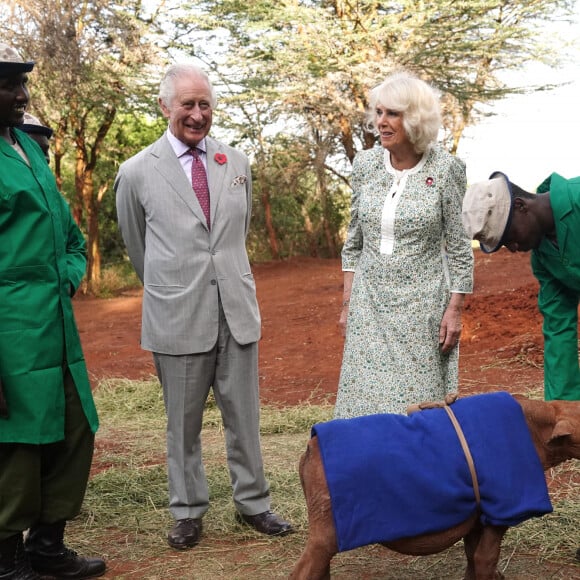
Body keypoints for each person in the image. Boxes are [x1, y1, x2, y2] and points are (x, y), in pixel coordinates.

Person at [115, 63, 293, 551]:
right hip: (176, 315)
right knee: (183, 424)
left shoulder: (235, 163)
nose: (197, 115)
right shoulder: (135, 172)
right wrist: (174, 288)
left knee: (245, 417)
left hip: (235, 310)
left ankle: (254, 503)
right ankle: (188, 511)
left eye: (205, 104)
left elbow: (234, 236)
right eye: (187, 105)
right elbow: (139, 250)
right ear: (164, 107)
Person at [0, 44, 106, 579]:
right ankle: (6, 558)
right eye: (8, 87)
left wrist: (63, 279)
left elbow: (69, 235)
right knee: (18, 442)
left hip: (54, 325)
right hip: (9, 329)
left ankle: (47, 547)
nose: (21, 96)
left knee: (72, 427)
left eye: (21, 85)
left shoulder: (28, 148)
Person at [334, 71, 474, 419]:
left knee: (419, 406)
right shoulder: (366, 165)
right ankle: (368, 471)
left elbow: (459, 248)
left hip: (423, 307)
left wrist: (454, 311)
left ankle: (422, 472)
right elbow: (354, 242)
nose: (380, 122)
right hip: (369, 303)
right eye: (378, 113)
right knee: (364, 402)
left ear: (415, 119)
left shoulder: (446, 170)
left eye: (392, 114)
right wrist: (348, 303)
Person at [462, 171, 580, 402]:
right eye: (505, 245)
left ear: (521, 206)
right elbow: (559, 328)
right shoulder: (544, 259)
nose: (514, 247)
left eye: (510, 236)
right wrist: (563, 410)